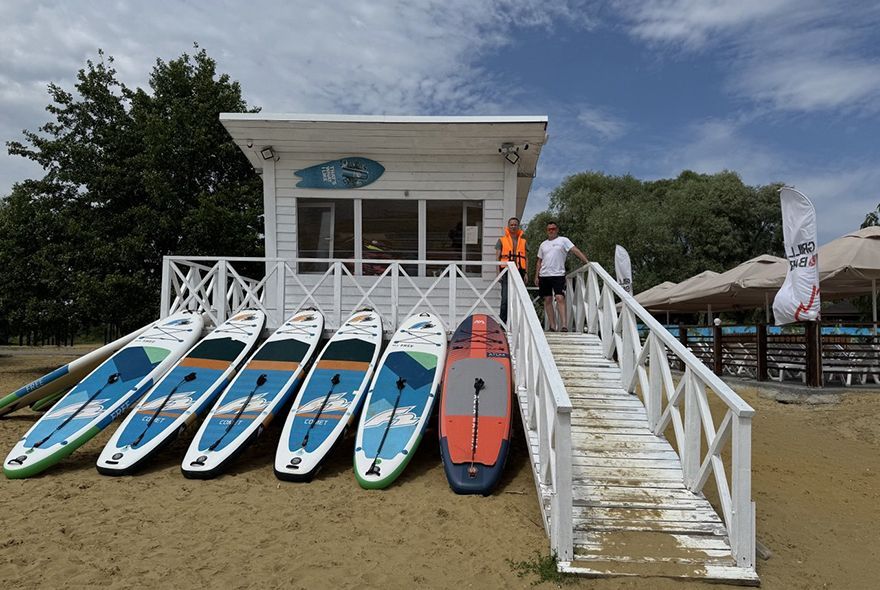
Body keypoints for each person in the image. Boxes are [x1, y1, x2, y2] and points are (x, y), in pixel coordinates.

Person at [534, 221, 589, 332]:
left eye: (553, 228)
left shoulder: (563, 240)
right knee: (548, 299)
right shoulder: (543, 244)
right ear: (547, 231)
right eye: (549, 229)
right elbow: (539, 261)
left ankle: (564, 325)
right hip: (544, 275)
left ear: (557, 229)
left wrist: (586, 261)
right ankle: (552, 326)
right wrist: (536, 276)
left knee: (560, 298)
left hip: (558, 274)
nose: (551, 230)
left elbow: (575, 250)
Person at [495, 217, 528, 324]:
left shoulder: (523, 241)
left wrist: (526, 273)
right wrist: (498, 274)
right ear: (508, 226)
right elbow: (497, 258)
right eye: (511, 225)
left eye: (515, 225)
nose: (513, 226)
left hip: (520, 271)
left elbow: (526, 258)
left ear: (518, 226)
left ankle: (517, 322)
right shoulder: (501, 240)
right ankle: (503, 322)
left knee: (518, 298)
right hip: (506, 271)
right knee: (505, 299)